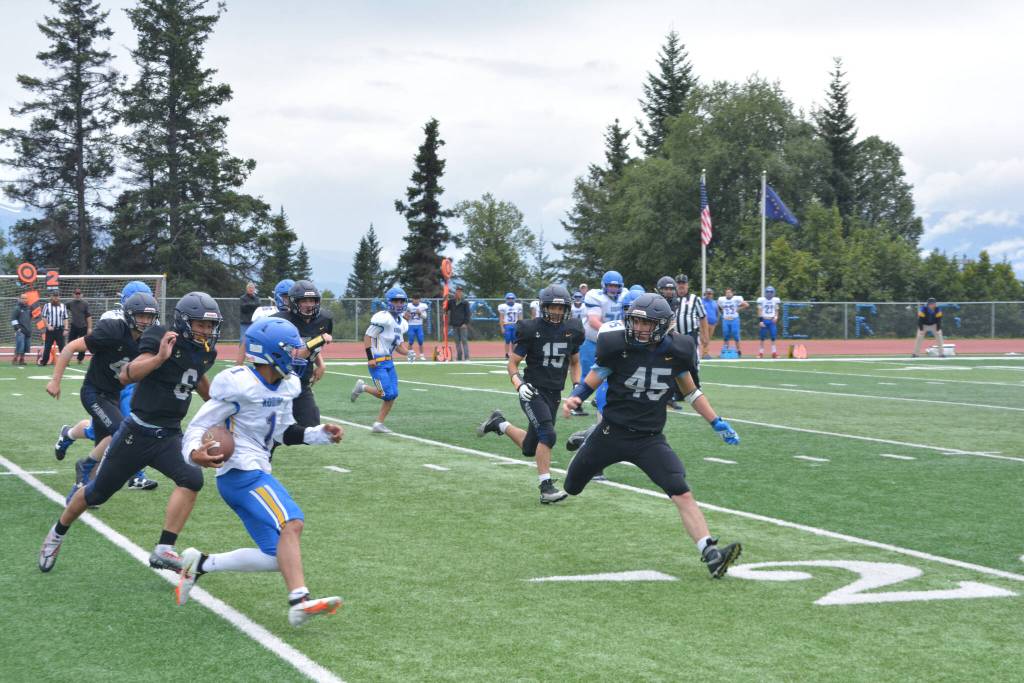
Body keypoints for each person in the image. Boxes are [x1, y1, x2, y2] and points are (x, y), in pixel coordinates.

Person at [174, 317, 344, 626]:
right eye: (290, 350)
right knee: (292, 522)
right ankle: (299, 601)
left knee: (277, 556)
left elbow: (283, 432)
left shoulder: (287, 385)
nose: (296, 355)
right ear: (271, 352)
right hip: (241, 472)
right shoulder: (239, 384)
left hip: (252, 471)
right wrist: (194, 453)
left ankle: (200, 564)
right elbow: (199, 425)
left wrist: (319, 434)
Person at [561, 293, 743, 578]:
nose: (639, 328)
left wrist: (715, 421)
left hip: (649, 439)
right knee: (571, 487)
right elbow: (593, 378)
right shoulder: (618, 346)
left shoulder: (678, 350)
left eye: (647, 323)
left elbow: (691, 392)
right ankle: (589, 437)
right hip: (610, 433)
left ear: (664, 325)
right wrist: (576, 398)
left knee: (681, 491)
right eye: (635, 322)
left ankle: (711, 554)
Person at [39, 292, 221, 574]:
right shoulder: (160, 337)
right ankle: (57, 532)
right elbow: (127, 375)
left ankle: (164, 549)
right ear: (184, 322)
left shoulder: (205, 351)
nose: (206, 331)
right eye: (201, 325)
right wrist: (160, 357)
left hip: (169, 434)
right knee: (96, 494)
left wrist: (221, 407)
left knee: (192, 478)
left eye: (210, 325)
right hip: (137, 432)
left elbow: (196, 376)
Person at [47, 292, 160, 499]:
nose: (145, 321)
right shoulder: (112, 330)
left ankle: (78, 494)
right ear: (129, 315)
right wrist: (55, 381)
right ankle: (85, 465)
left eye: (149, 316)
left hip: (113, 395)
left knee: (103, 450)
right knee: (120, 432)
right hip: (94, 392)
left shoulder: (150, 340)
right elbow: (71, 347)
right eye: (141, 316)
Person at [477, 284, 583, 503]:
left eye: (560, 308)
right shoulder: (532, 329)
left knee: (530, 447)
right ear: (544, 307)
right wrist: (519, 384)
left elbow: (575, 362)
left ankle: (499, 423)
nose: (556, 312)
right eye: (552, 307)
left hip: (554, 393)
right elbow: (512, 363)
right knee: (548, 435)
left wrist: (576, 386)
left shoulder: (572, 330)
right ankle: (546, 488)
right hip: (532, 391)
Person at [272, 280, 333, 427]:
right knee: (274, 428)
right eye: (304, 301)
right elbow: (294, 356)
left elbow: (313, 344)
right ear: (294, 302)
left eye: (312, 300)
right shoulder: (281, 321)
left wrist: (321, 364)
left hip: (302, 382)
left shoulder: (325, 319)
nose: (309, 305)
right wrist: (318, 341)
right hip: (278, 381)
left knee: (311, 425)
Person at [350, 287, 410, 433]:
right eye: (395, 300)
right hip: (377, 362)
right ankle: (362, 387)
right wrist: (370, 358)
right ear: (389, 302)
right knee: (385, 393)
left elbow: (398, 346)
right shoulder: (383, 317)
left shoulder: (402, 323)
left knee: (393, 394)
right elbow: (368, 336)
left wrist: (409, 353)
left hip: (389, 362)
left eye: (401, 301)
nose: (399, 304)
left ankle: (378, 424)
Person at [39, 293, 69, 366]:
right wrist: (48, 326)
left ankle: (65, 362)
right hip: (50, 330)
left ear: (59, 297)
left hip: (60, 329)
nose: (56, 298)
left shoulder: (63, 306)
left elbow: (65, 318)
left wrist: (66, 329)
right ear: (51, 297)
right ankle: (44, 362)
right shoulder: (47, 305)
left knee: (62, 347)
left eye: (57, 296)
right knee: (47, 346)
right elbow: (43, 317)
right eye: (54, 296)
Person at [718, 287, 749, 356]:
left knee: (736, 335)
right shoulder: (721, 300)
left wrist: (738, 308)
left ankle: (738, 350)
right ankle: (726, 350)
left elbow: (746, 304)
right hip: (726, 319)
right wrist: (723, 312)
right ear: (725, 293)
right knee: (725, 335)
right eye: (727, 292)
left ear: (732, 293)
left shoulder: (736, 299)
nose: (728, 294)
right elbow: (719, 307)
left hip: (734, 319)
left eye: (729, 292)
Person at [65, 289, 92, 364]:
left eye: (79, 294)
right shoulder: (69, 303)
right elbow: (61, 309)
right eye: (76, 294)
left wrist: (89, 328)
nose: (77, 295)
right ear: (73, 295)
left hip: (83, 326)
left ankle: (80, 359)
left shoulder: (85, 304)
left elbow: (89, 316)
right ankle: (67, 360)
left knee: (83, 344)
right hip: (74, 326)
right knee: (70, 343)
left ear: (82, 295)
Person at [237, 282, 259, 365]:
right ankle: (241, 356)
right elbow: (244, 307)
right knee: (243, 339)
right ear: (247, 289)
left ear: (254, 289)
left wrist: (250, 305)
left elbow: (258, 305)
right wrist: (252, 305)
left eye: (252, 288)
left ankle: (253, 356)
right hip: (245, 323)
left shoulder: (256, 298)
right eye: (249, 288)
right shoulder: (242, 298)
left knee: (255, 340)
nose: (251, 289)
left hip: (254, 323)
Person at [756, 286, 782, 359]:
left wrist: (776, 317)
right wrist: (761, 321)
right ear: (765, 292)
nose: (769, 293)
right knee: (762, 337)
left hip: (772, 320)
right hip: (764, 319)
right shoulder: (762, 300)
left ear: (773, 293)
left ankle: (774, 353)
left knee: (773, 337)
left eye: (771, 292)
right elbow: (759, 311)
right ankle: (760, 353)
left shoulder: (775, 300)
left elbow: (776, 310)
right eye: (768, 292)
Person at [447, 285, 471, 361]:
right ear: (455, 293)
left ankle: (466, 357)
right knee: (457, 341)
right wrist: (445, 300)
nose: (459, 293)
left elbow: (468, 314)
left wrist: (465, 323)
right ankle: (459, 357)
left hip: (462, 325)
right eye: (457, 291)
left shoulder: (465, 303)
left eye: (460, 292)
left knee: (464, 341)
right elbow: (446, 309)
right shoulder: (451, 302)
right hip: (454, 324)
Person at [497, 292, 524, 359]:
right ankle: (506, 354)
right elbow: (501, 318)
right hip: (507, 325)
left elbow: (520, 318)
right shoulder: (503, 307)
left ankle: (514, 354)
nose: (510, 300)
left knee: (514, 341)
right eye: (509, 298)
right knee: (507, 340)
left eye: (512, 298)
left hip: (515, 325)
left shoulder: (518, 306)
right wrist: (502, 327)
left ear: (514, 299)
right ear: (506, 299)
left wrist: (521, 326)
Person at [10, 293, 32, 365]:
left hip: (27, 330)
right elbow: (13, 319)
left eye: (25, 298)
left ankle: (22, 359)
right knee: (20, 345)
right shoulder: (17, 308)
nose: (24, 300)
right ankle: (15, 358)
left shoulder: (29, 308)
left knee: (26, 345)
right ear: (19, 299)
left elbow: (32, 316)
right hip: (20, 330)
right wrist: (17, 328)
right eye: (23, 298)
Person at [405, 295, 429, 361]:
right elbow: (404, 316)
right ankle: (410, 355)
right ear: (412, 299)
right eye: (414, 299)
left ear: (419, 299)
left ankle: (422, 355)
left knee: (421, 341)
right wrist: (407, 315)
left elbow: (425, 317)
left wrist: (420, 313)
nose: (416, 300)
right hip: (411, 325)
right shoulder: (408, 306)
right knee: (410, 341)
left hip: (419, 325)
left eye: (417, 299)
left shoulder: (422, 306)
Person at [702, 288, 718, 360]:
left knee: (708, 339)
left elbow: (717, 312)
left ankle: (705, 353)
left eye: (710, 293)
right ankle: (705, 353)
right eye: (708, 293)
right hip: (705, 323)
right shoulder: (702, 302)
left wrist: (716, 321)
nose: (709, 295)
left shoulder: (714, 302)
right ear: (705, 294)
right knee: (705, 338)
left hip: (713, 324)